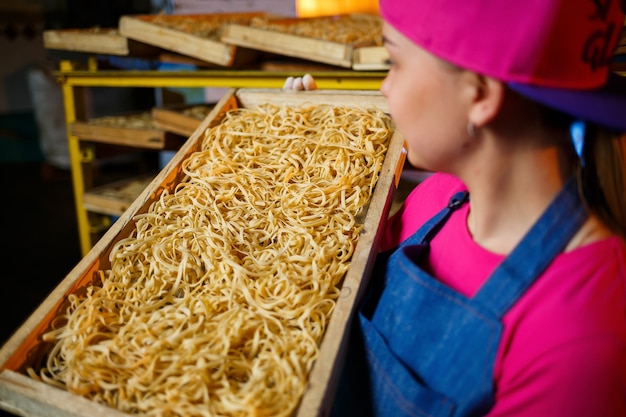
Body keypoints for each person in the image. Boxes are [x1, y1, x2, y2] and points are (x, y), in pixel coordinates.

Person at [287, 0, 626, 415]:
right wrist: (306, 160)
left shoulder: (578, 341)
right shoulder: (439, 199)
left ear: (480, 95)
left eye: (394, 61)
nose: (385, 88)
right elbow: (324, 286)